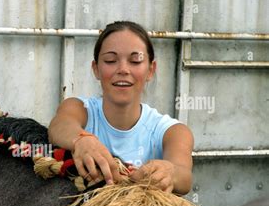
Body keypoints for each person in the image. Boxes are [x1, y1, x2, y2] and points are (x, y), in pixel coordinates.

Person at [48, 21, 193, 195]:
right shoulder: (80, 109)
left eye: (135, 61)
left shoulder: (172, 131)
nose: (123, 69)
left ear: (150, 70)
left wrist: (169, 172)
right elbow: (60, 125)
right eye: (110, 60)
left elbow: (184, 175)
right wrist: (81, 140)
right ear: (96, 69)